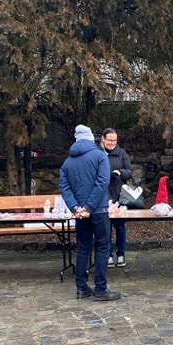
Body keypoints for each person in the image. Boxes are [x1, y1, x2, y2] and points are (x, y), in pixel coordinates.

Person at [60, 125, 121, 302]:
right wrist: (89, 207)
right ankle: (100, 289)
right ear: (91, 138)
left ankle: (81, 288)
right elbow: (102, 182)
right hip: (98, 210)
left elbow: (64, 188)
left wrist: (76, 208)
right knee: (102, 247)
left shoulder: (67, 163)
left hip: (80, 213)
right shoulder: (100, 156)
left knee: (83, 248)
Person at [101, 128, 132, 268]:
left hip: (119, 195)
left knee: (119, 226)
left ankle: (121, 254)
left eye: (115, 140)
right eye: (110, 140)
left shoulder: (121, 153)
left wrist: (120, 172)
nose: (112, 143)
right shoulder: (98, 153)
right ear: (103, 139)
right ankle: (107, 255)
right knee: (105, 226)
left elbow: (129, 171)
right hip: (103, 194)